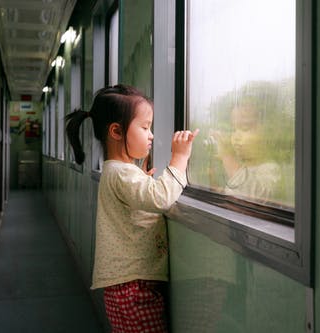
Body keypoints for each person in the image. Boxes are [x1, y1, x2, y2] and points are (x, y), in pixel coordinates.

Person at [65, 84, 198, 332]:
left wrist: (143, 179)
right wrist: (179, 158)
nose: (151, 135)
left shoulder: (118, 171)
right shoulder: (122, 173)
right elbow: (160, 198)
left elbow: (140, 198)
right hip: (133, 287)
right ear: (116, 131)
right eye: (145, 127)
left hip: (127, 285)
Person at [208, 101, 281, 203]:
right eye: (234, 129)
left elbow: (255, 195)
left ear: (269, 133)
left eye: (245, 128)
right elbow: (236, 191)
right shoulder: (243, 167)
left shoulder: (271, 169)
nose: (236, 137)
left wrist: (226, 155)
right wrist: (221, 191)